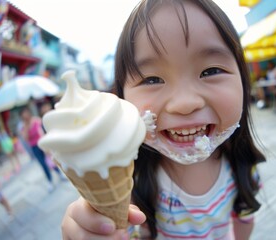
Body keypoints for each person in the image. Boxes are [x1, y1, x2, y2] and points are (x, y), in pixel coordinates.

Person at [61, 0, 265, 239]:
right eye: (151, 79)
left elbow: (244, 220)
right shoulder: (133, 187)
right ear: (122, 97)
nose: (185, 103)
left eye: (210, 71)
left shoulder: (243, 167)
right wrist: (94, 227)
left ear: (242, 78)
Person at [19, 107, 55, 192]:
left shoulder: (36, 120)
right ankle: (50, 181)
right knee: (43, 164)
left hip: (42, 143)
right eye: (24, 115)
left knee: (50, 160)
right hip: (34, 147)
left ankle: (58, 172)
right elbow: (26, 139)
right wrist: (27, 127)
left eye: (26, 113)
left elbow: (43, 129)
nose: (26, 115)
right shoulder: (23, 127)